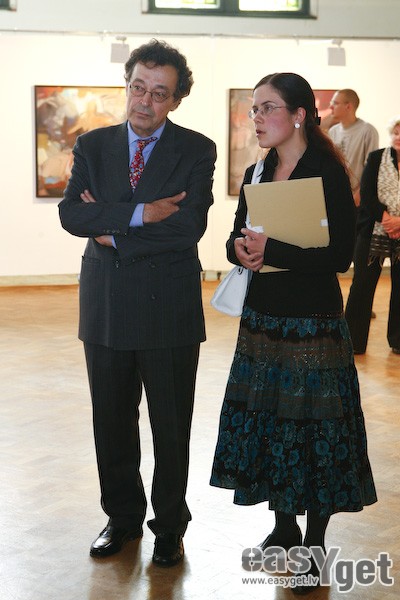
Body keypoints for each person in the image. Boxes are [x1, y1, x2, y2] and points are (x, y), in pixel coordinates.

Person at [210, 73, 377, 594]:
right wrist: (238, 249)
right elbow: (237, 235)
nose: (257, 117)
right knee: (273, 424)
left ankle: (314, 542)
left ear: (299, 114)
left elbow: (340, 256)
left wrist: (273, 251)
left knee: (316, 430)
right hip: (264, 319)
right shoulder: (257, 172)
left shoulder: (327, 172)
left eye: (268, 108)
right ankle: (283, 528)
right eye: (254, 108)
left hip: (312, 322)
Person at [58, 38, 216, 567]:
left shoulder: (196, 149)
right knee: (111, 422)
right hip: (105, 305)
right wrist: (141, 214)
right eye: (138, 87)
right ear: (126, 85)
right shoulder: (92, 145)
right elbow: (72, 216)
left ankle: (170, 526)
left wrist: (110, 228)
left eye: (159, 93)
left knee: (171, 424)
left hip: (168, 307)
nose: (144, 101)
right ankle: (122, 518)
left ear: (176, 99)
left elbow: (188, 227)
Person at [345, 116, 400, 355]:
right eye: (396, 133)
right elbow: (367, 194)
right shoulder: (377, 157)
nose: (398, 138)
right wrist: (386, 219)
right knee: (362, 286)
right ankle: (352, 342)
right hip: (373, 229)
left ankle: (398, 341)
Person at [329, 88, 379, 207]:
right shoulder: (333, 131)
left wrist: (359, 194)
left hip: (358, 199)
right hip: (336, 195)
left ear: (348, 106)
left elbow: (372, 168)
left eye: (335, 103)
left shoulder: (368, 131)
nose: (331, 107)